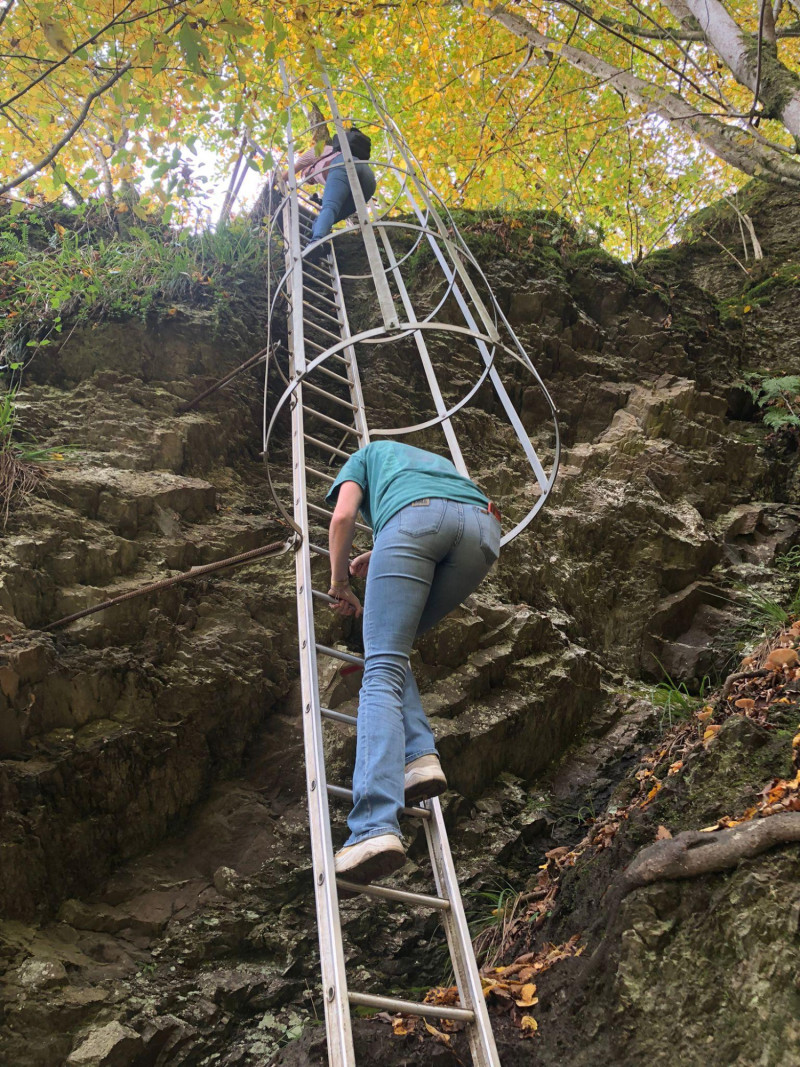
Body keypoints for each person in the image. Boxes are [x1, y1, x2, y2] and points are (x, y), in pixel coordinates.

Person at [325, 440, 501, 886]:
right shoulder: (430, 461)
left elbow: (343, 516)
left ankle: (372, 827)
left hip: (414, 523)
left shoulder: (364, 455)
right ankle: (419, 758)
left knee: (380, 666)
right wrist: (379, 550)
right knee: (392, 650)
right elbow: (442, 513)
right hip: (482, 530)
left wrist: (340, 581)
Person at [282, 128, 376, 246]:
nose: (308, 179)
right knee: (325, 217)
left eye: (305, 175)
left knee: (330, 207)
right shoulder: (333, 157)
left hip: (342, 164)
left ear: (310, 166)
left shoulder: (317, 151)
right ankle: (322, 237)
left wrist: (275, 182)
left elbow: (290, 172)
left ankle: (317, 241)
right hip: (368, 178)